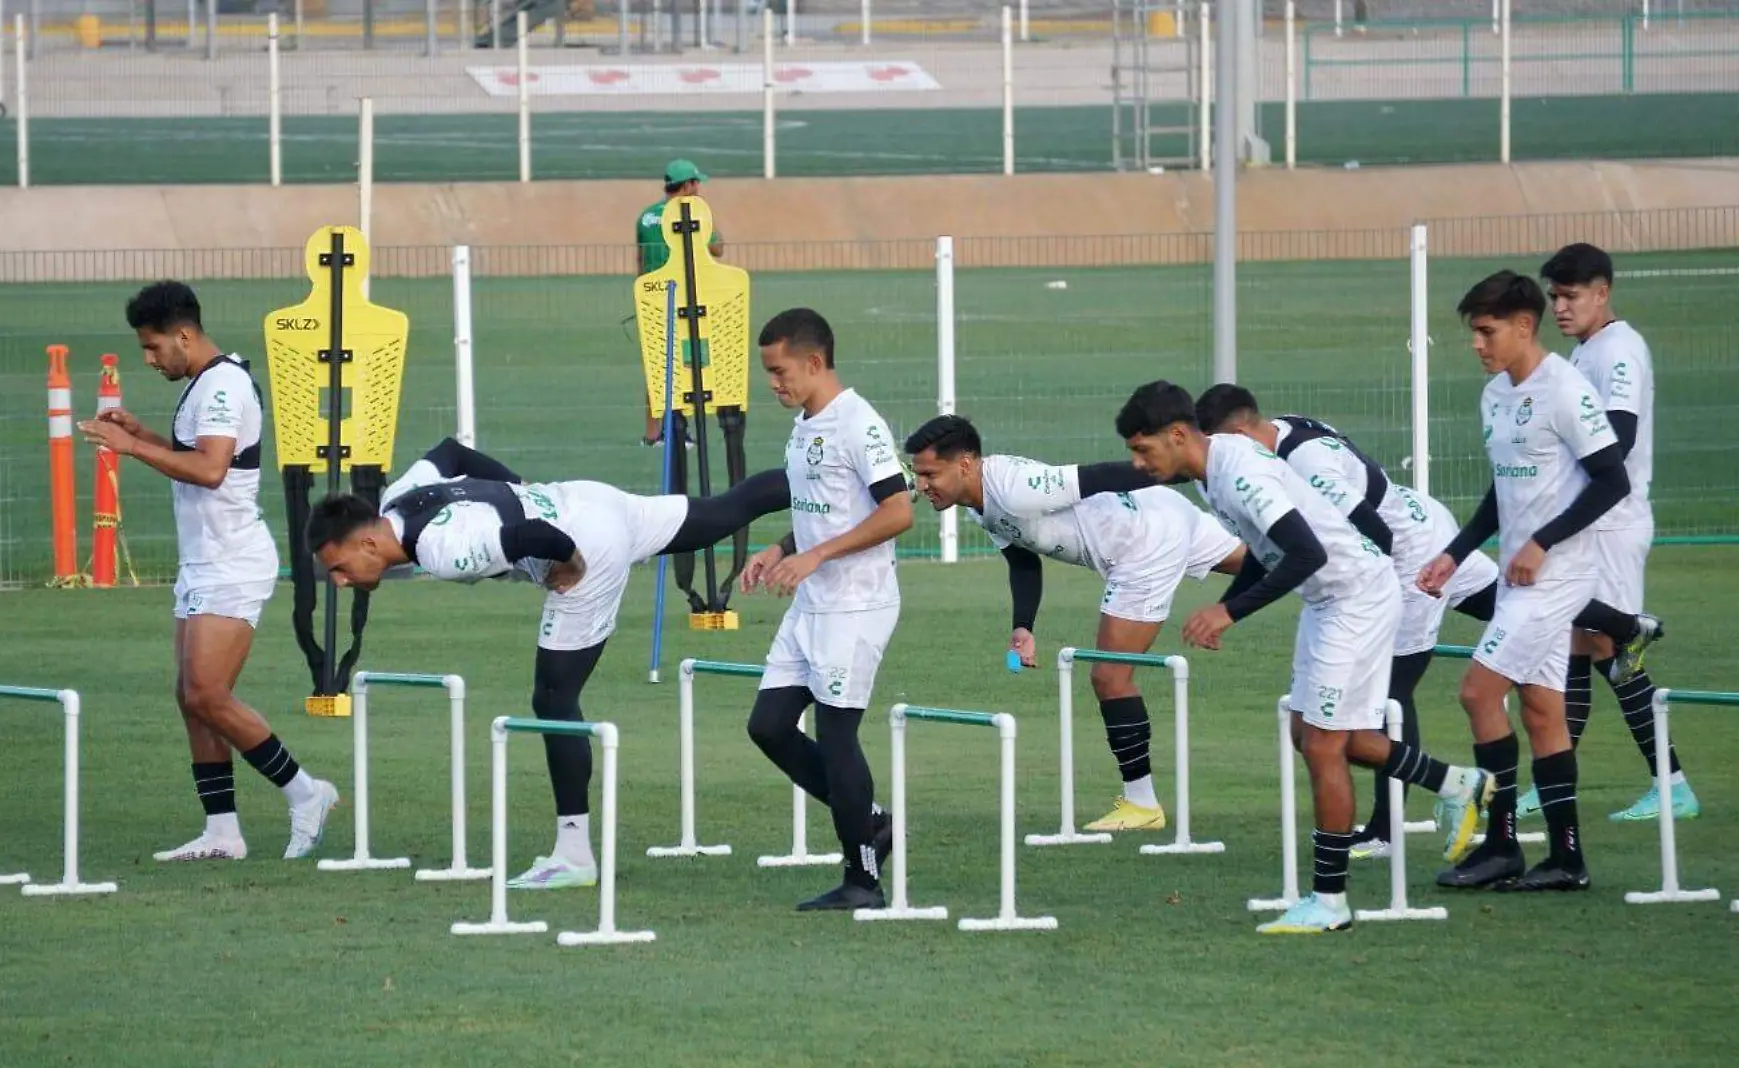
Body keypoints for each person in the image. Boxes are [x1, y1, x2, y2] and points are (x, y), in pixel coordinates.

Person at [305, 437, 791, 890]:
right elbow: (452, 453)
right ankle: (825, 482)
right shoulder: (398, 499)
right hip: (586, 500)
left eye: (340, 568)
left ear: (368, 544)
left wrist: (571, 560)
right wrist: (521, 491)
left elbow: (534, 536)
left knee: (555, 697)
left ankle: (574, 855)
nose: (342, 582)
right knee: (723, 511)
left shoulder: (442, 550)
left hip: (586, 544)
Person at [1116, 380, 1493, 935]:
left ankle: (1330, 902)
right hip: (1329, 599)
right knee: (1311, 733)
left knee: (1323, 744)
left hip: (1355, 597)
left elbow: (1305, 551)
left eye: (1142, 449)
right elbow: (1266, 550)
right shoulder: (1210, 472)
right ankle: (1456, 783)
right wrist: (1226, 604)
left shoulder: (1237, 471)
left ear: (1177, 435)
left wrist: (1230, 614)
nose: (1137, 463)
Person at [77, 280, 338, 863]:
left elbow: (213, 469)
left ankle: (307, 793)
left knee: (207, 693)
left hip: (232, 563)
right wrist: (144, 433)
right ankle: (222, 832)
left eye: (152, 347)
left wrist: (130, 447)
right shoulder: (205, 382)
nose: (149, 360)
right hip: (204, 562)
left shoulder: (221, 384)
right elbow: (198, 456)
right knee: (190, 696)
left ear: (184, 335)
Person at [1191, 388, 1500, 859]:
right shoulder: (1277, 433)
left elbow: (1375, 532)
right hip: (1420, 522)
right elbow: (1266, 546)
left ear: (1235, 433)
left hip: (1405, 556)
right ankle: (1617, 628)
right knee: (1521, 610)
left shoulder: (1301, 462)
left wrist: (1364, 589)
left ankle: (1387, 829)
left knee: (1388, 698)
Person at [902, 413, 1245, 832]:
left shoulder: (1013, 486)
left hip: (1142, 541)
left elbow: (1098, 475)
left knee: (1110, 677)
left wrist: (1179, 470)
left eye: (930, 474)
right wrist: (1023, 627)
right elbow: (1022, 559)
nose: (921, 486)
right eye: (919, 475)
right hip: (1160, 515)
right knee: (1275, 561)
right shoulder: (979, 503)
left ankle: (1142, 805)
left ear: (966, 464)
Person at [1420, 270, 1633, 892]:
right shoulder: (1496, 396)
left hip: (1558, 576)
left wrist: (1544, 542)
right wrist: (1455, 553)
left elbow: (1611, 480)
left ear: (1523, 326)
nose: (1477, 345)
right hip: (1519, 577)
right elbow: (1505, 489)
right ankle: (1567, 859)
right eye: (1473, 333)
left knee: (1478, 693)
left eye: (1487, 332)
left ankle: (1503, 844)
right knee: (1542, 710)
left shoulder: (1565, 389)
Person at [738, 307, 912, 912]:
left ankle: (862, 879)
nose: (773, 383)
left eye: (779, 370)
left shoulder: (858, 424)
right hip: (812, 603)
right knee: (768, 726)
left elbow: (897, 512)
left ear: (814, 362)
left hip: (856, 603)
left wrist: (815, 557)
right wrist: (782, 547)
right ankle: (871, 821)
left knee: (838, 738)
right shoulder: (805, 424)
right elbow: (825, 508)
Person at [1529, 242, 1690, 824]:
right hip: (1590, 522)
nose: (1562, 308)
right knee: (1576, 644)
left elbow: (1616, 443)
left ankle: (1671, 783)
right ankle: (1554, 779)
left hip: (1614, 524)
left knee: (1609, 648)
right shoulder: (1585, 352)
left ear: (1603, 293)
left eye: (1571, 296)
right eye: (1555, 298)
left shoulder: (1619, 351)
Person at [636, 158, 725, 449]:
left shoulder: (646, 216)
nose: (699, 189)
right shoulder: (692, 214)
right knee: (687, 365)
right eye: (696, 183)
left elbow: (641, 260)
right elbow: (717, 247)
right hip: (685, 300)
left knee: (655, 367)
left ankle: (652, 434)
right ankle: (679, 429)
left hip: (652, 298)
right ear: (686, 185)